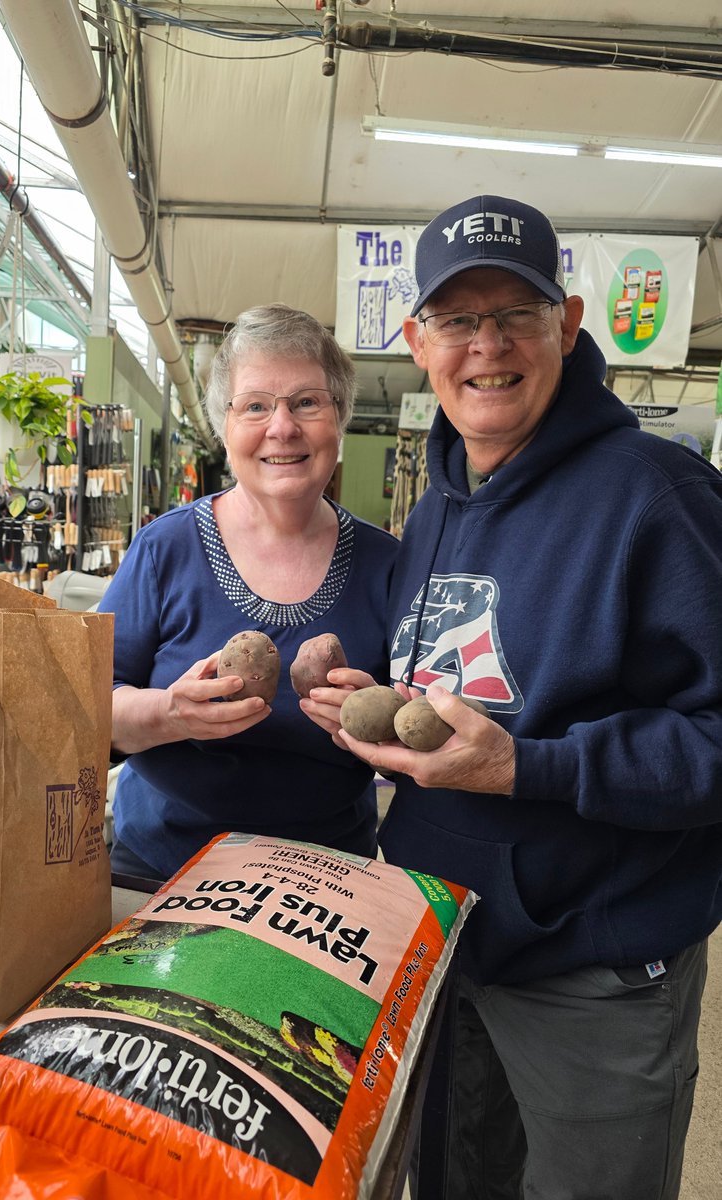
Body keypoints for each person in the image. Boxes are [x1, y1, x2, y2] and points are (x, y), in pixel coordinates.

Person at [311, 195, 722, 1200]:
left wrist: (528, 767)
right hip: (448, 946)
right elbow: (475, 685)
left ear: (568, 326)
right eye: (457, 319)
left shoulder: (658, 496)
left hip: (593, 974)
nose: (486, 346)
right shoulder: (435, 509)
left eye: (517, 315)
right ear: (418, 342)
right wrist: (387, 698)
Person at [97, 303, 398, 883]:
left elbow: (423, 731)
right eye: (255, 406)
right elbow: (87, 712)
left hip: (329, 883)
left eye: (306, 402)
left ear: (339, 418)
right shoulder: (166, 549)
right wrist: (169, 713)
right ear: (224, 426)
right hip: (162, 872)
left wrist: (377, 721)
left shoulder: (388, 565)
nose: (281, 427)